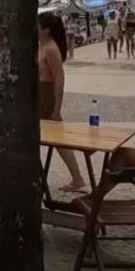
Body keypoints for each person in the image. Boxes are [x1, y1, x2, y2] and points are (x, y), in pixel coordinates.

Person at [38, 13, 87, 192]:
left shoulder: (51, 49)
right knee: (55, 139)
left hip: (46, 94)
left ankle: (77, 178)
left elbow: (59, 79)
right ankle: (76, 177)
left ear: (46, 29)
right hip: (38, 92)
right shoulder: (40, 45)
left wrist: (57, 107)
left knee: (57, 138)